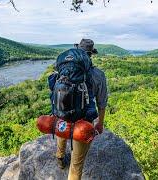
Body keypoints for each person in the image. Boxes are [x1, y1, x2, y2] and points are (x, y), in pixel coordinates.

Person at [55, 39, 108, 180]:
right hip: (83, 123)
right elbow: (102, 103)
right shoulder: (98, 74)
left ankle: (60, 157)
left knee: (62, 128)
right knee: (76, 166)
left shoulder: (63, 70)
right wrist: (100, 123)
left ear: (77, 50)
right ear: (91, 54)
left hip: (63, 115)